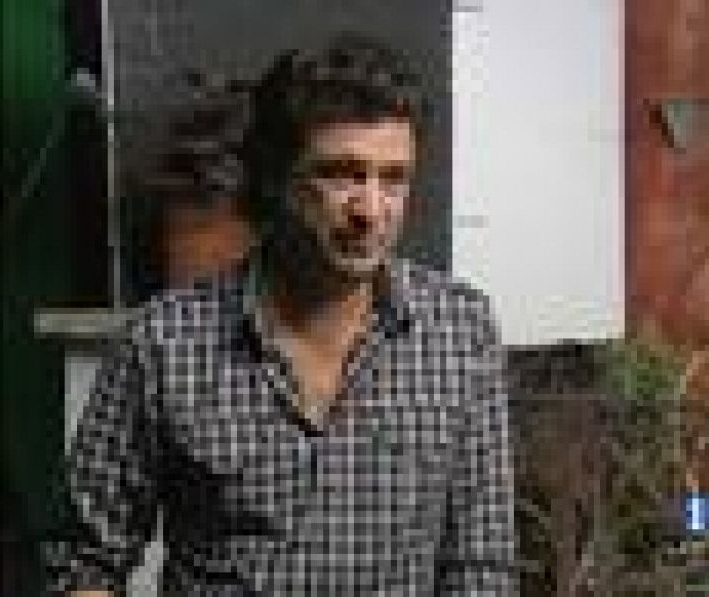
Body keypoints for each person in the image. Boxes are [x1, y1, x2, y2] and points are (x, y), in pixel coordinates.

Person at [46, 32, 517, 595]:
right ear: (276, 180)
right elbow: (85, 560)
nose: (370, 210)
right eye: (340, 174)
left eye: (393, 178)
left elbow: (480, 567)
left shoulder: (460, 333)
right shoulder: (165, 345)